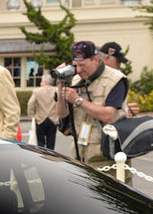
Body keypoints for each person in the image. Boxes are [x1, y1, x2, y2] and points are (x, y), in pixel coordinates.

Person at [56, 40, 130, 178]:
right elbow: (62, 114)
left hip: (109, 161)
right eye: (76, 65)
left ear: (95, 59)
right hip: (81, 158)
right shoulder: (75, 80)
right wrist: (61, 86)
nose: (78, 70)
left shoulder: (115, 79)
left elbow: (108, 115)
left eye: (83, 65)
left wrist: (78, 100)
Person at [27, 74, 58, 149]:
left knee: (40, 143)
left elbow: (30, 104)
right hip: (53, 119)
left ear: (44, 81)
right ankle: (50, 158)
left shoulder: (37, 91)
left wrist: (32, 116)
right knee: (51, 143)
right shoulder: (56, 90)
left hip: (40, 119)